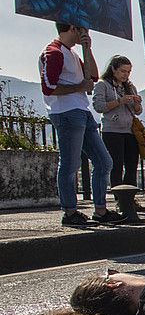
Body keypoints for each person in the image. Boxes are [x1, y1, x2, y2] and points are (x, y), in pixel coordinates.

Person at [39, 23, 119, 226]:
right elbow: (48, 88)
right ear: (74, 28)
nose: (87, 34)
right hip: (66, 112)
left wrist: (88, 49)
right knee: (70, 164)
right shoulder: (53, 52)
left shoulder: (72, 54)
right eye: (85, 30)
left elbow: (92, 76)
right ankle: (70, 212)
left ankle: (100, 210)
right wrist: (78, 87)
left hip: (82, 112)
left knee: (104, 162)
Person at [91, 55, 143, 207]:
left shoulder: (130, 86)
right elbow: (99, 106)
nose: (125, 75)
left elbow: (138, 111)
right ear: (113, 69)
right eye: (122, 71)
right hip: (112, 130)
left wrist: (137, 103)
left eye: (128, 72)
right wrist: (120, 101)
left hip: (130, 130)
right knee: (116, 165)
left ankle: (130, 199)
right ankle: (120, 200)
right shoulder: (102, 85)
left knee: (132, 166)